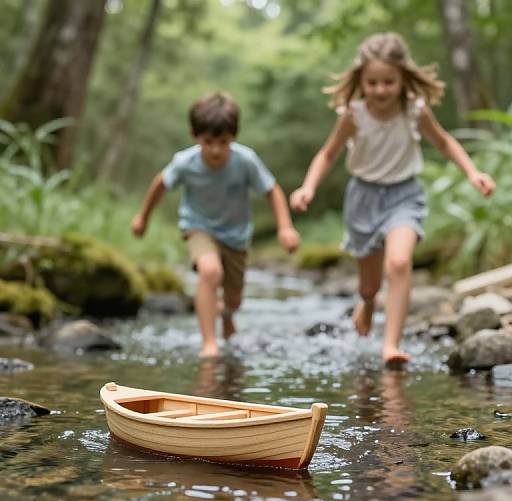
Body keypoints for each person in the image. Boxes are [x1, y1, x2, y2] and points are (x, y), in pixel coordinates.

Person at [290, 32, 495, 367]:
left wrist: (473, 173)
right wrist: (308, 187)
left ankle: (390, 345)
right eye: (372, 82)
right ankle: (368, 303)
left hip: (404, 195)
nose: (380, 90)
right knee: (369, 286)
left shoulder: (414, 110)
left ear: (403, 79)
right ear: (361, 80)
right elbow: (327, 154)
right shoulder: (353, 115)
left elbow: (444, 143)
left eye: (389, 81)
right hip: (363, 197)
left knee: (399, 262)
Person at [132, 92, 300, 358]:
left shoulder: (245, 161)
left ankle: (226, 315)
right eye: (208, 141)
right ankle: (209, 343)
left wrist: (285, 227)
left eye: (223, 142)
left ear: (234, 136)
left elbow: (272, 190)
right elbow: (160, 184)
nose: (215, 150)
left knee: (234, 300)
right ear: (194, 136)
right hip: (198, 227)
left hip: (235, 236)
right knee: (210, 272)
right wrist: (143, 217)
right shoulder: (185, 163)